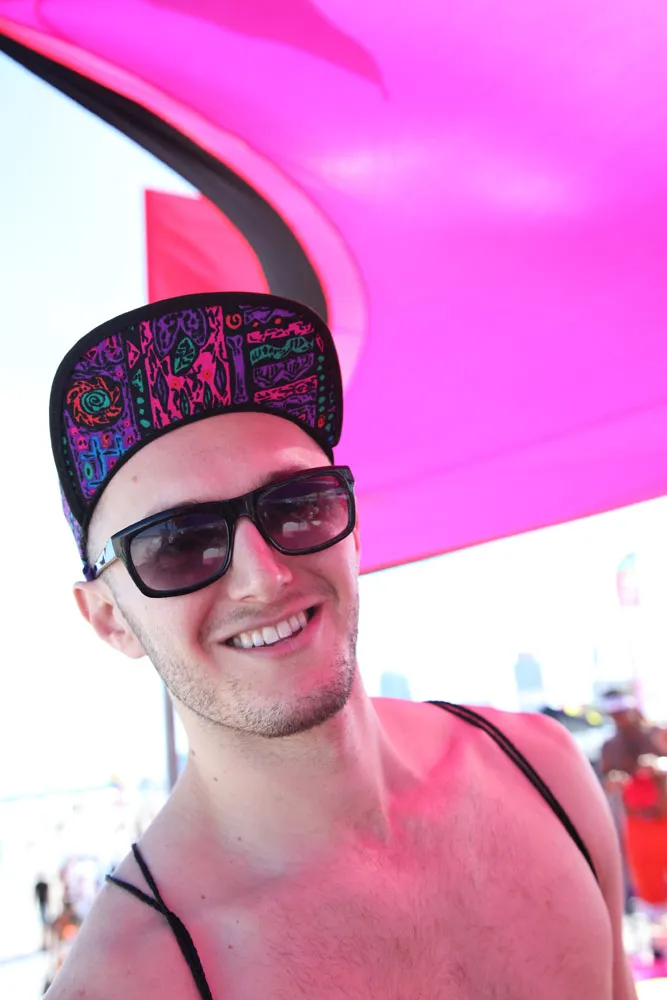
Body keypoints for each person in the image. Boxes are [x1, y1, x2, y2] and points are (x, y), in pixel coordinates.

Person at [44, 292, 635, 998]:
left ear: (351, 529)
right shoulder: (129, 983)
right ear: (108, 618)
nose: (263, 577)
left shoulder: (545, 773)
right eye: (177, 544)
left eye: (296, 503)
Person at [601, 689, 667, 953]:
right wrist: (614, 781)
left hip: (663, 817)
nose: (620, 719)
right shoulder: (610, 746)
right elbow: (606, 780)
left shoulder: (657, 734)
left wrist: (658, 765)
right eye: (615, 715)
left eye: (622, 713)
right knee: (648, 884)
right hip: (638, 824)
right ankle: (659, 946)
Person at [34, 876, 50, 949]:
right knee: (45, 926)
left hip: (43, 906)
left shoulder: (41, 885)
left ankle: (45, 943)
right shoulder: (42, 885)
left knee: (45, 926)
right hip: (43, 906)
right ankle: (45, 943)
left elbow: (36, 896)